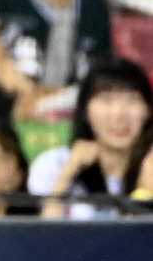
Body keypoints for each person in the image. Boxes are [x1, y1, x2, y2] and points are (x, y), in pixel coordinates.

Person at [29, 57, 152, 219]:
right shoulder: (53, 163)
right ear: (85, 111)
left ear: (148, 111)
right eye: (106, 100)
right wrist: (67, 173)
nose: (119, 113)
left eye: (132, 100)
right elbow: (45, 236)